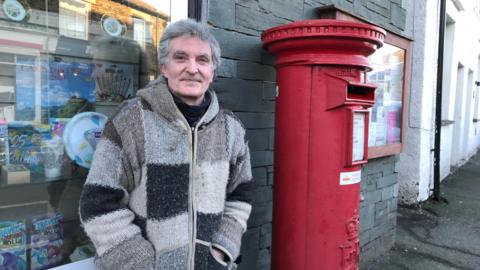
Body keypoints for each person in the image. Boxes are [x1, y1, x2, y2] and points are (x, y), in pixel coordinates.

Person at [79, 18, 253, 270]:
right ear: (164, 67)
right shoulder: (130, 122)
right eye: (180, 58)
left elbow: (241, 194)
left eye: (202, 60)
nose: (192, 68)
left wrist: (222, 249)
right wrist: (142, 264)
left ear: (212, 71)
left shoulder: (231, 129)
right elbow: (98, 205)